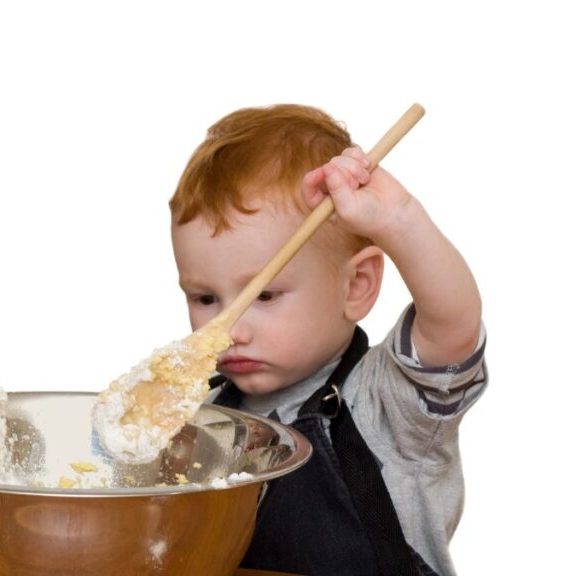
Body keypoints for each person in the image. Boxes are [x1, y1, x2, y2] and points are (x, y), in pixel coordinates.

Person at [169, 104, 485, 575]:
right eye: (205, 298)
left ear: (355, 287)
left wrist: (399, 219)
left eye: (266, 294)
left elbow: (453, 327)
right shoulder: (205, 416)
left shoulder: (386, 400)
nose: (228, 330)